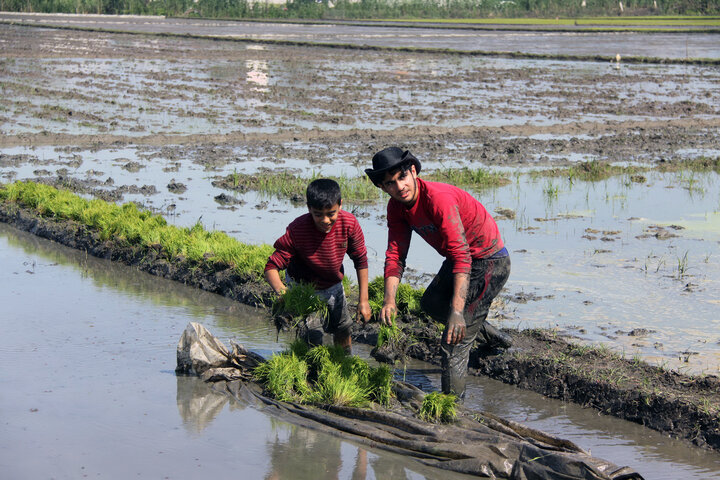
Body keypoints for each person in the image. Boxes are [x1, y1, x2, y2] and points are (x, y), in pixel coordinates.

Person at [365, 147, 511, 399]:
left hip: (488, 260)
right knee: (431, 303)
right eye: (390, 183)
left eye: (402, 177)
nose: (399, 187)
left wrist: (456, 312)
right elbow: (395, 254)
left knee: (453, 343)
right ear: (382, 187)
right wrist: (389, 300)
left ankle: (452, 410)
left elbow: (462, 255)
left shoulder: (438, 199)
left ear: (413, 171)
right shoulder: (396, 208)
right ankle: (495, 339)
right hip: (460, 258)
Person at [264, 178, 371, 354]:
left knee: (343, 328)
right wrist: (283, 292)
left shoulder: (349, 224)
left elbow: (360, 259)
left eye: (331, 213)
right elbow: (271, 267)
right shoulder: (297, 229)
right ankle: (313, 369)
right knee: (312, 335)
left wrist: (364, 300)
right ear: (309, 209)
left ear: (340, 205)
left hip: (333, 286)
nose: (325, 220)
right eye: (318, 214)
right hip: (303, 287)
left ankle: (344, 362)